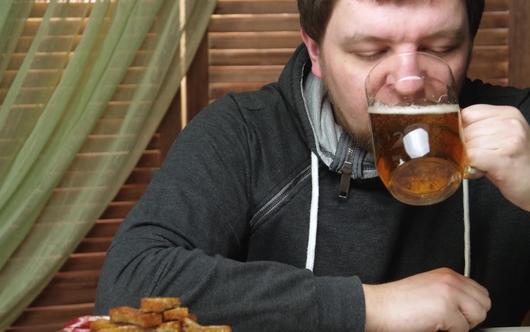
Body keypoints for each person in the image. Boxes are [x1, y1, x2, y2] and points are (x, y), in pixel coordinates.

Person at [95, 0, 530, 331]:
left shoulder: (519, 128)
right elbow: (129, 284)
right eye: (371, 51)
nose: (408, 81)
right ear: (315, 50)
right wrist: (368, 307)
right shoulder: (244, 134)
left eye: (441, 47)